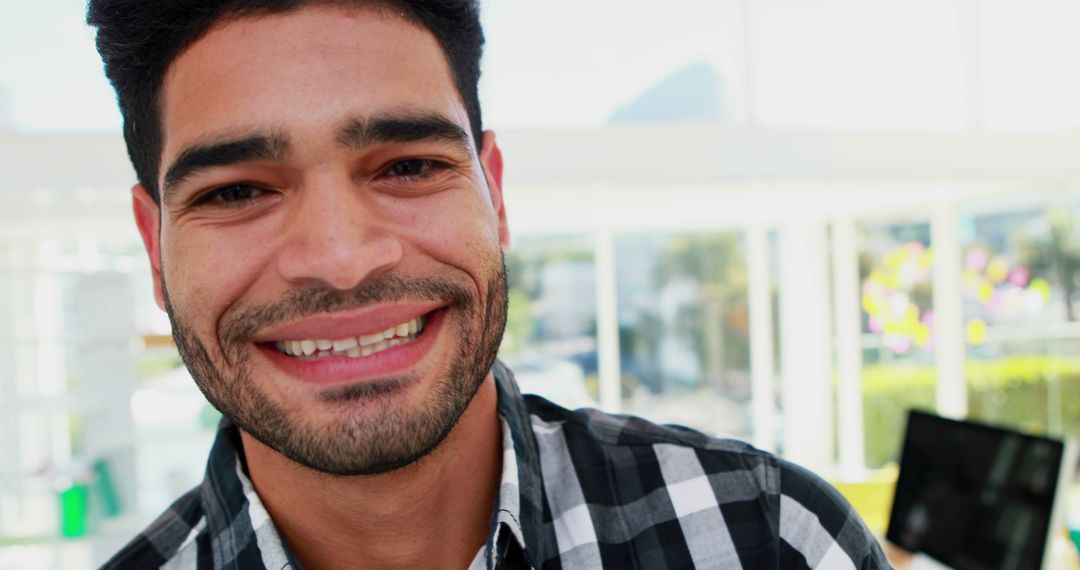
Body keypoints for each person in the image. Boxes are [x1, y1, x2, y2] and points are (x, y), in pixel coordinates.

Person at [88, 1, 890, 568]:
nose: (341, 258)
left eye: (407, 166)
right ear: (154, 249)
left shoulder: (770, 539)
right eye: (235, 191)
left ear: (495, 195)